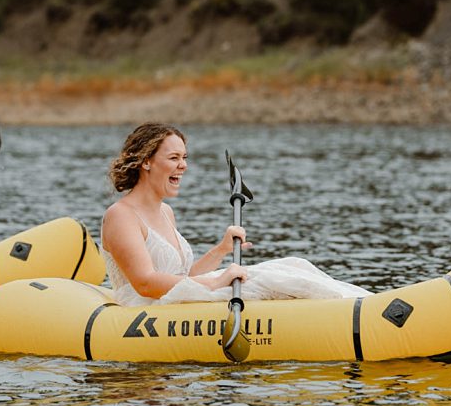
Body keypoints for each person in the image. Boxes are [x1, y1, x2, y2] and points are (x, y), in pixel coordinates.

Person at [100, 122, 372, 307]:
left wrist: (220, 250)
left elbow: (182, 276)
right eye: (174, 158)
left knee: (293, 264)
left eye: (185, 157)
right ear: (146, 161)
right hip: (146, 308)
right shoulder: (121, 216)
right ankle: (358, 312)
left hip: (176, 299)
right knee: (266, 279)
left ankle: (368, 304)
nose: (183, 166)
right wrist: (216, 281)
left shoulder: (166, 212)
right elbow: (146, 283)